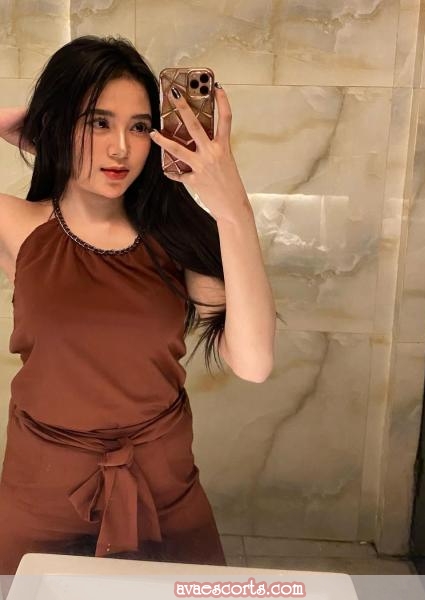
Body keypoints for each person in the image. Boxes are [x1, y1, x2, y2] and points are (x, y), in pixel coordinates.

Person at [0, 35, 279, 584]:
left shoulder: (177, 238)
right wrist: (25, 128)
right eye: (97, 123)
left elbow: (254, 363)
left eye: (139, 127)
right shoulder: (18, 225)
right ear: (58, 124)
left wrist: (232, 208)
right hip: (40, 491)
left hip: (164, 489)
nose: (121, 149)